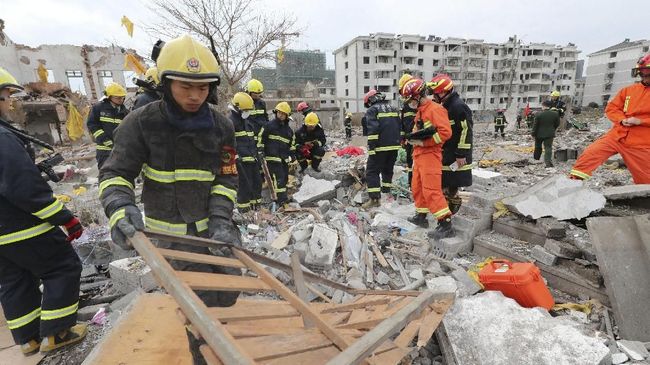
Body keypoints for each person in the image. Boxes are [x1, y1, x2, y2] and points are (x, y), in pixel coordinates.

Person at [97, 35, 242, 361]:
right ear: (165, 83)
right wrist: (121, 208)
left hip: (215, 231)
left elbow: (227, 176)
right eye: (185, 87)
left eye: (202, 88)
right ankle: (204, 353)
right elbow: (115, 174)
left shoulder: (221, 126)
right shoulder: (142, 123)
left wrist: (222, 220)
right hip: (172, 235)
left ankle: (213, 337)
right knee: (199, 301)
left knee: (230, 290)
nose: (194, 96)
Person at [0, 67, 85, 356]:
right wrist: (66, 218)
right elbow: (24, 189)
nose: (10, 102)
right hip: (23, 226)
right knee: (62, 267)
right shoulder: (2, 138)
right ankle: (56, 333)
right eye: (6, 96)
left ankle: (28, 340)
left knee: (15, 280)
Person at [570, 54, 650, 184]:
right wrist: (621, 119)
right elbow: (612, 108)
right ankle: (572, 184)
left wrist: (641, 121)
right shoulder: (628, 91)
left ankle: (643, 200)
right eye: (643, 75)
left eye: (648, 75)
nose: (645, 78)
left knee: (645, 179)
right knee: (590, 155)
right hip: (617, 135)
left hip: (641, 144)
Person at [401, 78, 454, 239]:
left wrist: (424, 142)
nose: (409, 103)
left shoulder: (435, 109)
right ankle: (421, 216)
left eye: (410, 99)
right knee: (417, 187)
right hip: (419, 155)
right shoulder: (422, 110)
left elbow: (445, 133)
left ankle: (445, 224)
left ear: (417, 96)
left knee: (431, 190)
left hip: (430, 155)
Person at [428, 74, 472, 220]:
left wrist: (461, 153)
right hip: (447, 153)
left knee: (451, 185)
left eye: (436, 93)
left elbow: (466, 131)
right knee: (446, 184)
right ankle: (449, 213)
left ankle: (450, 214)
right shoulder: (446, 106)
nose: (434, 96)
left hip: (456, 155)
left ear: (444, 92)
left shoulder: (458, 106)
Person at [361, 89, 401, 209]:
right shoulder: (393, 108)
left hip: (380, 146)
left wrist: (371, 147)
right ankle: (386, 192)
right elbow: (400, 126)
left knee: (372, 172)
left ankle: (374, 199)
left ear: (371, 100)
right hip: (394, 146)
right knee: (387, 169)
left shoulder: (372, 110)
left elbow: (373, 130)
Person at [257, 102, 295, 206]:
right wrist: (261, 150)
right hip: (271, 158)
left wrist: (293, 155)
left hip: (283, 160)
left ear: (287, 115)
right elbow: (261, 138)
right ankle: (279, 200)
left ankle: (282, 199)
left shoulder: (289, 131)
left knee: (284, 179)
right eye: (279, 113)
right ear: (276, 113)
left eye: (283, 113)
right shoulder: (269, 126)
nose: (280, 115)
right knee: (277, 179)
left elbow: (292, 145)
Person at [229, 92, 262, 212]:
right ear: (237, 108)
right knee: (244, 186)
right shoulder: (231, 123)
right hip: (241, 161)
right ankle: (244, 211)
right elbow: (228, 144)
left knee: (256, 183)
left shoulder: (247, 123)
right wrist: (236, 158)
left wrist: (257, 155)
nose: (248, 112)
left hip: (252, 159)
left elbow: (252, 141)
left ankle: (256, 208)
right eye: (246, 110)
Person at [86, 82, 129, 169]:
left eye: (122, 97)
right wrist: (106, 140)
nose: (121, 100)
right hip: (104, 151)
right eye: (118, 98)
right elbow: (92, 125)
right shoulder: (98, 108)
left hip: (120, 151)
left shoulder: (125, 112)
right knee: (106, 175)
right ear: (109, 97)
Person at [399, 73, 417, 188]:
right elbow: (403, 123)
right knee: (410, 163)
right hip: (409, 140)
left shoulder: (419, 104)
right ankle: (412, 185)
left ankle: (415, 185)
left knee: (417, 164)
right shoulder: (406, 106)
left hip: (418, 140)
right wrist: (402, 138)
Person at [532, 100, 560, 168]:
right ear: (550, 106)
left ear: (543, 106)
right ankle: (547, 162)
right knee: (548, 147)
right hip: (550, 134)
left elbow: (535, 125)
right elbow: (557, 124)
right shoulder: (555, 114)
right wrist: (552, 129)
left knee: (538, 147)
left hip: (539, 134)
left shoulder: (539, 114)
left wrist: (533, 133)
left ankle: (536, 159)